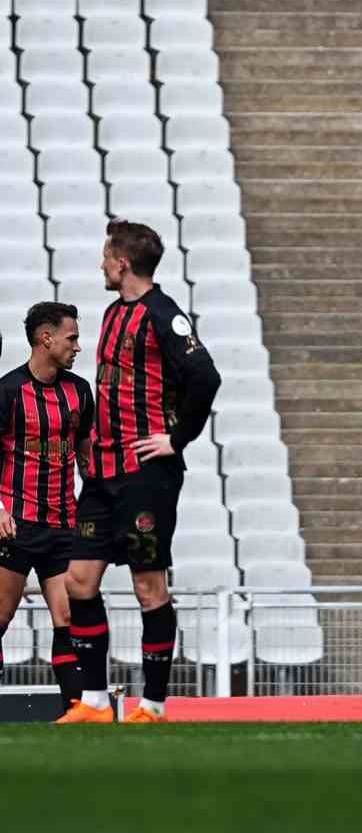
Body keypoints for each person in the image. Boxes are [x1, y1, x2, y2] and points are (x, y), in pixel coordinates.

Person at [59, 221, 222, 724]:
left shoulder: (163, 314)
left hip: (145, 475)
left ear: (123, 263)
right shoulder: (113, 313)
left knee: (148, 586)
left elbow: (205, 376)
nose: (102, 264)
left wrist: (176, 439)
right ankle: (94, 702)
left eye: (107, 256)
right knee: (79, 581)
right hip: (102, 474)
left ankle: (152, 704)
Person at [0, 302, 92, 712]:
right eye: (72, 338)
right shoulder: (8, 391)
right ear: (46, 337)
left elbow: (87, 455)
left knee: (67, 619)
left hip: (63, 525)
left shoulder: (80, 391)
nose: (78, 346)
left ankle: (76, 712)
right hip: (16, 525)